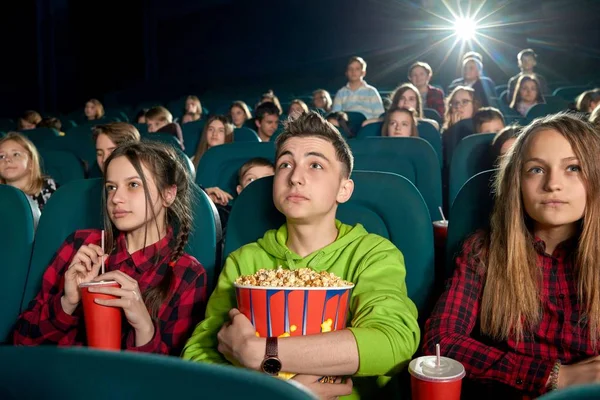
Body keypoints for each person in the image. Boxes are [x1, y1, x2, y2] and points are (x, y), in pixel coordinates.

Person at [182, 111, 420, 399]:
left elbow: (393, 342)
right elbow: (198, 353)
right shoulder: (244, 260)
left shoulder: (373, 253)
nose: (295, 177)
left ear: (344, 189)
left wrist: (261, 353)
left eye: (315, 165)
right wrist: (277, 389)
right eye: (285, 164)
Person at [424, 113, 600, 398]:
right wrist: (554, 376)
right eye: (536, 170)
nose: (553, 184)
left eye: (573, 168)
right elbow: (441, 343)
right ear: (516, 182)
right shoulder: (484, 251)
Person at [13, 141, 207, 356]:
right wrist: (67, 302)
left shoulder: (187, 274)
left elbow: (169, 380)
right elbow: (22, 340)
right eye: (111, 187)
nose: (115, 198)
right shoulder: (80, 245)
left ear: (168, 194)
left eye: (133, 184)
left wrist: (144, 328)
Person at [0, 132, 57, 212]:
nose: (7, 159)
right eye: (1, 156)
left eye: (16, 154)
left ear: (31, 162)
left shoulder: (48, 188)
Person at [192, 116, 235, 207]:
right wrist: (206, 193)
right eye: (211, 129)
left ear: (227, 135)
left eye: (221, 130)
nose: (214, 134)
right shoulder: (192, 161)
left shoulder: (233, 164)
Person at [362, 83, 439, 130]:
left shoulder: (426, 125)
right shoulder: (385, 120)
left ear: (417, 104)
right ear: (396, 102)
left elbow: (435, 125)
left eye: (411, 99)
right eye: (402, 98)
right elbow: (366, 124)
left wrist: (413, 120)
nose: (406, 102)